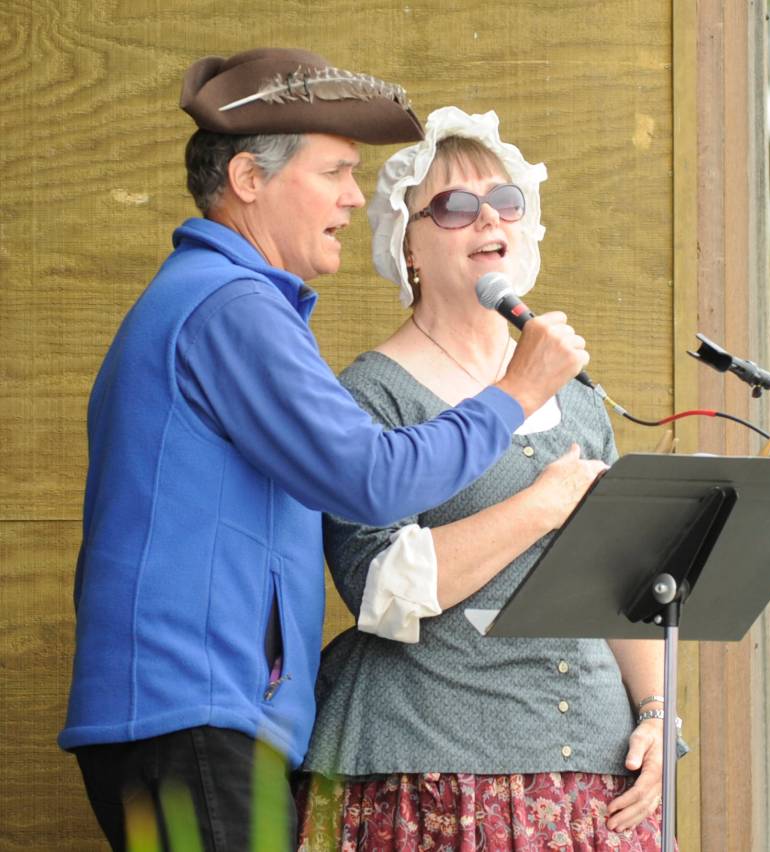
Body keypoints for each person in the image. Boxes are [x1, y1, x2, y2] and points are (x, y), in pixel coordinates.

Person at [58, 51, 591, 852]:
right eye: (336, 171)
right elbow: (372, 479)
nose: (353, 196)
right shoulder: (232, 306)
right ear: (248, 178)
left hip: (200, 714)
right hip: (195, 713)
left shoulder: (223, 299)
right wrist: (515, 393)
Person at [299, 107, 685, 851]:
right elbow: (379, 591)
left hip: (598, 788)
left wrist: (657, 711)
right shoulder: (373, 394)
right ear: (406, 243)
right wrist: (540, 506)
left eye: (506, 202)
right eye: (454, 206)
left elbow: (629, 585)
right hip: (437, 777)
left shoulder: (576, 396)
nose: (489, 220)